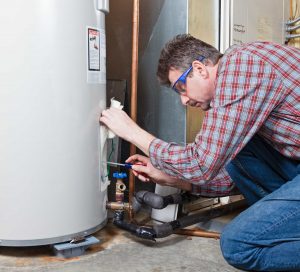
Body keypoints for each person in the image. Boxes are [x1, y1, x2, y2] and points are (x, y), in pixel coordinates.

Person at [100, 34, 300, 271]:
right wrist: (172, 179)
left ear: (200, 68)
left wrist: (132, 132)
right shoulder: (240, 72)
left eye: (181, 88)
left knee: (239, 245)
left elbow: (201, 164)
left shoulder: (242, 68)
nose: (184, 100)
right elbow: (229, 177)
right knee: (235, 153)